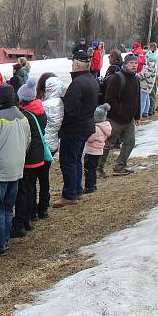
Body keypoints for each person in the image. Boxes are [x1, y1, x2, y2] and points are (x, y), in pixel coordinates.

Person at [0, 84, 29, 256]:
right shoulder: (23, 117)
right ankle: (4, 240)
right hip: (16, 170)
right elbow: (27, 142)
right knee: (8, 208)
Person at [55, 51, 99, 207]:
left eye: (73, 63)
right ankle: (77, 190)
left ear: (77, 64)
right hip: (86, 125)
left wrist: (60, 104)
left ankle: (69, 194)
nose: (71, 65)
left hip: (75, 128)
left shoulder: (78, 83)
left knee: (68, 161)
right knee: (76, 160)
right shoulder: (91, 80)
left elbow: (70, 109)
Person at [12, 78, 47, 237]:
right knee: (31, 186)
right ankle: (31, 215)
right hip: (38, 155)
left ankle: (23, 221)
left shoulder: (25, 114)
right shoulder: (40, 109)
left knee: (23, 190)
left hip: (29, 156)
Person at [98, 54, 141, 177]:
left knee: (130, 142)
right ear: (125, 64)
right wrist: (119, 112)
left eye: (136, 63)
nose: (134, 65)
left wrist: (137, 116)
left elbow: (136, 99)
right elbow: (110, 99)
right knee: (107, 144)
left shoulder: (136, 79)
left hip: (129, 119)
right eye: (131, 63)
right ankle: (97, 167)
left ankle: (120, 166)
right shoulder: (117, 78)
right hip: (115, 118)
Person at [38, 75, 63, 218]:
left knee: (38, 177)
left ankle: (40, 208)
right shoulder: (60, 102)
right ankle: (44, 206)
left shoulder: (45, 105)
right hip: (53, 143)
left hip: (43, 144)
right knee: (44, 177)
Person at [83, 104, 112, 193]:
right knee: (93, 168)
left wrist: (85, 135)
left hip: (91, 151)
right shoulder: (105, 126)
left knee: (88, 169)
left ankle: (89, 186)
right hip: (98, 151)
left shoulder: (95, 128)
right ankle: (93, 184)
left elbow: (90, 139)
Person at [138, 50, 158, 118]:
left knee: (142, 99)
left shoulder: (151, 65)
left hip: (146, 84)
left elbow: (145, 74)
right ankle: (145, 112)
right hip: (147, 84)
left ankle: (140, 113)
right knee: (146, 98)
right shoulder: (150, 64)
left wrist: (138, 75)